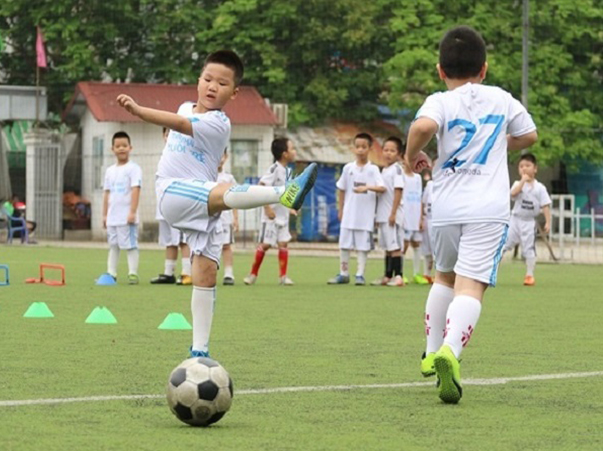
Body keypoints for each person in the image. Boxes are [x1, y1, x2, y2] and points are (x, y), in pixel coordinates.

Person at [116, 49, 317, 358]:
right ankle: (284, 193)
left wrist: (142, 111)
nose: (212, 87)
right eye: (208, 79)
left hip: (201, 199)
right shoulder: (185, 108)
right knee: (224, 192)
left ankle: (199, 351)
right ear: (198, 80)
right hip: (172, 192)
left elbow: (180, 125)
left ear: (234, 93)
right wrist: (140, 111)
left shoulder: (219, 123)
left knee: (207, 272)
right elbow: (178, 124)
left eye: (222, 84)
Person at [405, 26, 537, 403]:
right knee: (471, 285)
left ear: (440, 71)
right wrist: (501, 142)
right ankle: (451, 351)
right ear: (484, 68)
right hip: (487, 209)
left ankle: (431, 351)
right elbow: (529, 135)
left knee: (444, 276)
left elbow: (423, 126)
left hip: (446, 206)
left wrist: (410, 155)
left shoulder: (440, 101)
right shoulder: (501, 98)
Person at [328, 132, 385, 286]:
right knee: (344, 244)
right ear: (353, 148)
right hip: (349, 213)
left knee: (362, 246)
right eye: (357, 147)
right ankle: (343, 273)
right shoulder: (348, 168)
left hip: (365, 216)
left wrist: (367, 187)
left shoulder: (373, 169)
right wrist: (341, 210)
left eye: (364, 147)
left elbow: (382, 188)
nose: (360, 150)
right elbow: (342, 189)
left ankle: (360, 274)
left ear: (369, 149)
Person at [244, 138, 297, 286]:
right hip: (271, 217)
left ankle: (283, 277)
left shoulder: (288, 172)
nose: (295, 151)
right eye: (292, 148)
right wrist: (267, 208)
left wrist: (290, 208)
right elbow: (261, 186)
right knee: (266, 245)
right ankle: (252, 274)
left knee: (283, 244)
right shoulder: (274, 169)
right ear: (285, 154)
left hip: (283, 216)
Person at [151, 127, 192, 285]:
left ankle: (187, 272)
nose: (169, 137)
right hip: (163, 205)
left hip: (178, 204)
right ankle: (169, 273)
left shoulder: (184, 156)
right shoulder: (163, 156)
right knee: (169, 240)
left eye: (173, 133)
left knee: (183, 240)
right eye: (167, 133)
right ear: (163, 136)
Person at [503, 153, 551, 286]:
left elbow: (545, 205)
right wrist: (523, 181)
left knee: (528, 248)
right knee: (503, 245)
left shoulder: (540, 188)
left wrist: (548, 222)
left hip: (529, 222)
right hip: (515, 220)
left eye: (527, 165)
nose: (524, 168)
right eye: (521, 166)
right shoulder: (517, 184)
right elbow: (513, 194)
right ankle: (491, 272)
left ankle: (529, 275)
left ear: (535, 169)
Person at [102, 131, 143, 284]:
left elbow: (135, 190)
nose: (121, 149)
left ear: (130, 147)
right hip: (113, 217)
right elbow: (107, 193)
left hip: (126, 217)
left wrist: (132, 212)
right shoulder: (109, 171)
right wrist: (104, 215)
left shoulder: (134, 168)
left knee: (130, 245)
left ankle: (133, 273)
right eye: (118, 146)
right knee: (113, 245)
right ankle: (111, 273)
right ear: (112, 149)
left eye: (124, 145)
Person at [371, 136, 406, 287]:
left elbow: (398, 191)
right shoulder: (384, 170)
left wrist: (393, 213)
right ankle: (387, 275)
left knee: (394, 246)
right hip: (383, 215)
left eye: (392, 151)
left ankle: (398, 276)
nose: (388, 153)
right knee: (386, 247)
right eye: (386, 150)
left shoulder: (397, 169)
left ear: (398, 154)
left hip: (392, 215)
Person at [401, 158, 427, 285]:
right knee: (404, 245)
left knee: (417, 244)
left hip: (415, 216)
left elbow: (420, 198)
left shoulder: (417, 178)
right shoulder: (401, 176)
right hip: (405, 216)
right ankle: (400, 274)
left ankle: (416, 273)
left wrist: (421, 218)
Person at [217, 149, 238, 285]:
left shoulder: (229, 178)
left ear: (226, 157)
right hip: (209, 219)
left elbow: (235, 199)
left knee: (226, 246)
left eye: (222, 155)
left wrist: (235, 218)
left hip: (225, 219)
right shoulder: (206, 176)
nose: (219, 159)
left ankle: (228, 274)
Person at [421, 170, 434, 283]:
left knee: (437, 250)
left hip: (439, 220)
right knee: (427, 248)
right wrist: (421, 219)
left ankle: (439, 275)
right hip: (428, 219)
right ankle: (427, 274)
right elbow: (423, 202)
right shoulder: (430, 184)